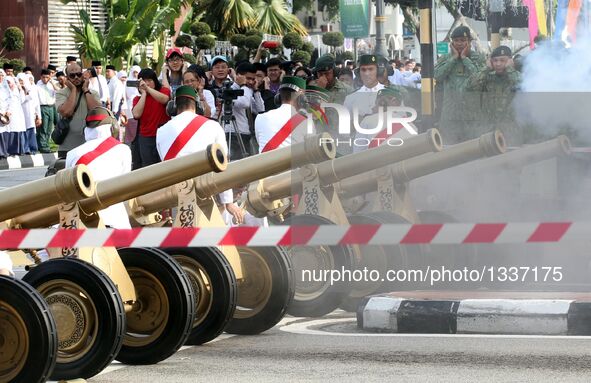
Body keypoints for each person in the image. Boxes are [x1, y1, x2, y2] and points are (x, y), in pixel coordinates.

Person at [155, 85, 244, 224]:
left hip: (177, 196)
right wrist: (228, 202)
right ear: (198, 105)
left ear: (173, 106)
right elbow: (222, 165)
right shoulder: (213, 126)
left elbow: (165, 166)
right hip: (207, 193)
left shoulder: (161, 131)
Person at [66, 106, 132, 228]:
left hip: (83, 220)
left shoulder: (72, 154)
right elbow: (124, 185)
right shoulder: (123, 150)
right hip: (115, 219)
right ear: (113, 128)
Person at [434, 25, 486, 144]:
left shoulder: (478, 58)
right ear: (452, 43)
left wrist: (464, 59)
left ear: (469, 42)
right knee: (449, 149)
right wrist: (453, 59)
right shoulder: (446, 58)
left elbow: (481, 79)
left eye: (463, 40)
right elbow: (437, 76)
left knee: (473, 148)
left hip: (472, 115)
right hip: (450, 115)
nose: (459, 44)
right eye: (456, 41)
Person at [467, 45, 522, 144]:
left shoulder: (516, 76)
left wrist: (509, 68)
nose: (498, 64)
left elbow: (520, 86)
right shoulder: (488, 77)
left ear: (510, 61)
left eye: (502, 60)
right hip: (489, 130)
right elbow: (471, 86)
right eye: (495, 60)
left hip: (511, 131)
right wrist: (486, 68)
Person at [55, 62, 101, 158]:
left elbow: (97, 112)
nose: (76, 77)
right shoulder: (61, 93)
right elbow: (66, 112)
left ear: (83, 75)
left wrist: (85, 90)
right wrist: (73, 90)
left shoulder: (92, 93)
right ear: (67, 78)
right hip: (67, 146)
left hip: (88, 146)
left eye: (79, 74)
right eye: (72, 75)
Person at [353, 86, 417, 153]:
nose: (372, 108)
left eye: (376, 104)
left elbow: (357, 155)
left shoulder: (367, 120)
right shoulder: (413, 127)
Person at [255, 76, 309, 152]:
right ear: (301, 99)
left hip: (264, 163)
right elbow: (310, 149)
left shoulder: (260, 118)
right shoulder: (306, 122)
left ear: (278, 97)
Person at [223, 62, 264, 160]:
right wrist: (244, 85)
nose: (250, 82)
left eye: (253, 79)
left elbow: (260, 110)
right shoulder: (230, 90)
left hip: (245, 134)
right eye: (248, 78)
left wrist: (256, 90)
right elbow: (244, 103)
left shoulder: (247, 90)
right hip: (232, 134)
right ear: (238, 76)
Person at [131, 68, 170, 168]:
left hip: (163, 137)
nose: (147, 83)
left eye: (149, 80)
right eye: (144, 81)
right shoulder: (137, 99)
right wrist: (144, 93)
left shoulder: (163, 91)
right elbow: (136, 114)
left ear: (155, 81)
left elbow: (165, 99)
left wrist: (147, 89)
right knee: (148, 167)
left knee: (165, 165)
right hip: (145, 138)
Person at [344, 54, 386, 119]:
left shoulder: (389, 94)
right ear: (359, 72)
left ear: (377, 71)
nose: (366, 73)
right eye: (363, 70)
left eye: (370, 69)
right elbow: (346, 124)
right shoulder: (351, 98)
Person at [17, 73, 40, 154]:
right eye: (19, 80)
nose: (21, 82)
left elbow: (35, 102)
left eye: (22, 80)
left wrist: (37, 115)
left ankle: (32, 149)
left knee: (30, 131)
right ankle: (25, 149)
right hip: (21, 113)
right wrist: (21, 90)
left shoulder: (31, 89)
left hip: (30, 114)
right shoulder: (16, 89)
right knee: (23, 132)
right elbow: (20, 100)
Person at [4, 75, 27, 156]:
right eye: (8, 83)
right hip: (8, 114)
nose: (10, 84)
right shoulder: (4, 91)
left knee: (18, 131)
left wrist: (20, 88)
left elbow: (22, 99)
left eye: (11, 82)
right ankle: (11, 150)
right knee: (10, 131)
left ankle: (19, 150)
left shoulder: (16, 91)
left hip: (18, 113)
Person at [37, 69, 58, 152]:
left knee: (49, 127)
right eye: (43, 77)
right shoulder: (38, 85)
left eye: (47, 77)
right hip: (43, 107)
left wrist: (52, 82)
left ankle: (46, 144)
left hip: (51, 107)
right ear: (40, 77)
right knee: (44, 127)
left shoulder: (51, 84)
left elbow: (59, 91)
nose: (45, 79)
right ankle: (42, 146)